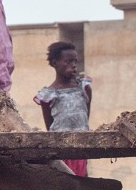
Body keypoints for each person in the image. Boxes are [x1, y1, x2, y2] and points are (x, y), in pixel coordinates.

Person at [34, 41, 92, 177]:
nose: (73, 65)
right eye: (68, 61)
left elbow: (85, 118)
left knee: (81, 180)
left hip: (81, 146)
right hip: (60, 149)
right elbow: (50, 127)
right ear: (55, 63)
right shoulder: (48, 95)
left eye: (75, 62)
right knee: (64, 181)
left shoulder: (84, 88)